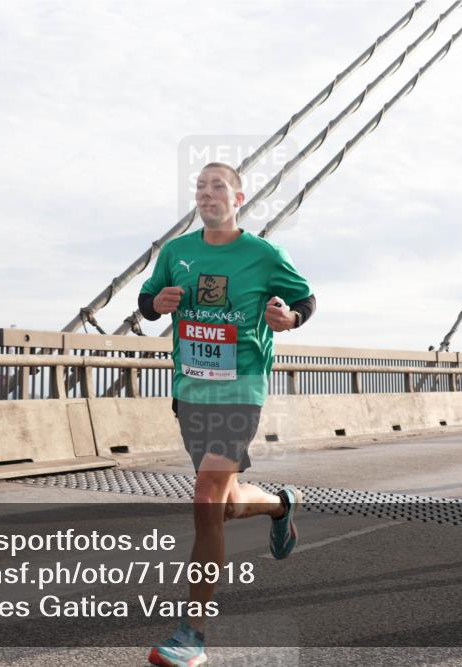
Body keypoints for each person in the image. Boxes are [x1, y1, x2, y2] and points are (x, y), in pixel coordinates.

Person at [139, 163, 315, 666]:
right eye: (200, 186)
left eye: (217, 186)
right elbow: (146, 301)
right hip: (191, 389)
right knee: (226, 503)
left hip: (241, 389)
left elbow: (304, 299)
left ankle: (191, 634)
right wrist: (156, 304)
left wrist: (289, 317)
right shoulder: (176, 252)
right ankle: (279, 505)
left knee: (205, 498)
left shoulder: (264, 254)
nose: (206, 193)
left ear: (238, 199)